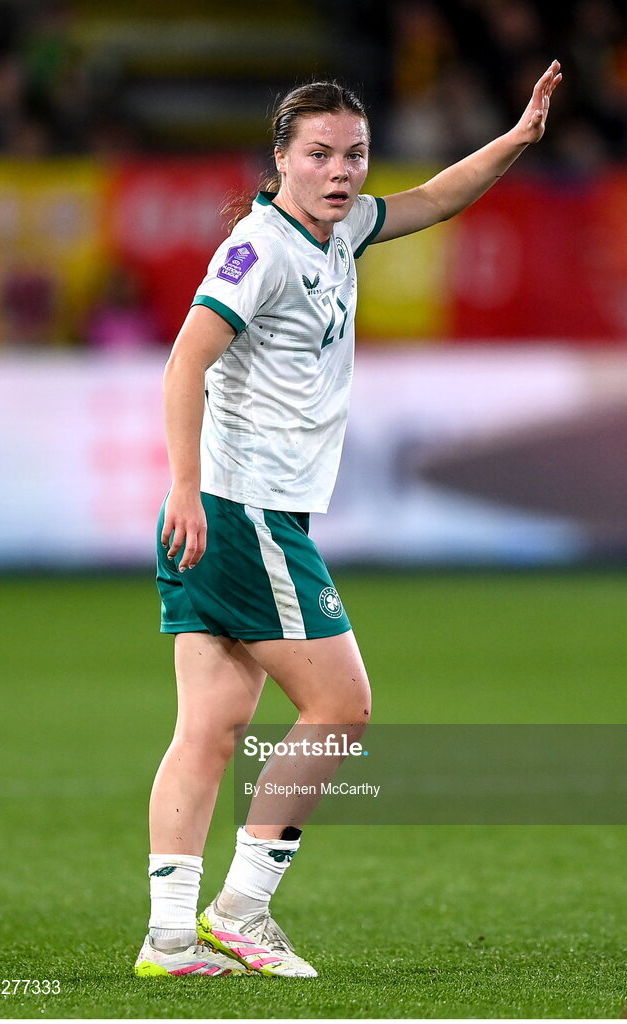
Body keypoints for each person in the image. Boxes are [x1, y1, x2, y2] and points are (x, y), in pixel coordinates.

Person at [135, 64, 562, 979]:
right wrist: (181, 486)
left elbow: (439, 198)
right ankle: (242, 912)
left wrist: (519, 138)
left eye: (355, 154)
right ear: (280, 160)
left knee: (209, 730)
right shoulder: (261, 248)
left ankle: (169, 941)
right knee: (342, 706)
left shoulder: (341, 231)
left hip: (230, 510)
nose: (341, 171)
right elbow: (184, 362)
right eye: (320, 154)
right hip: (239, 508)